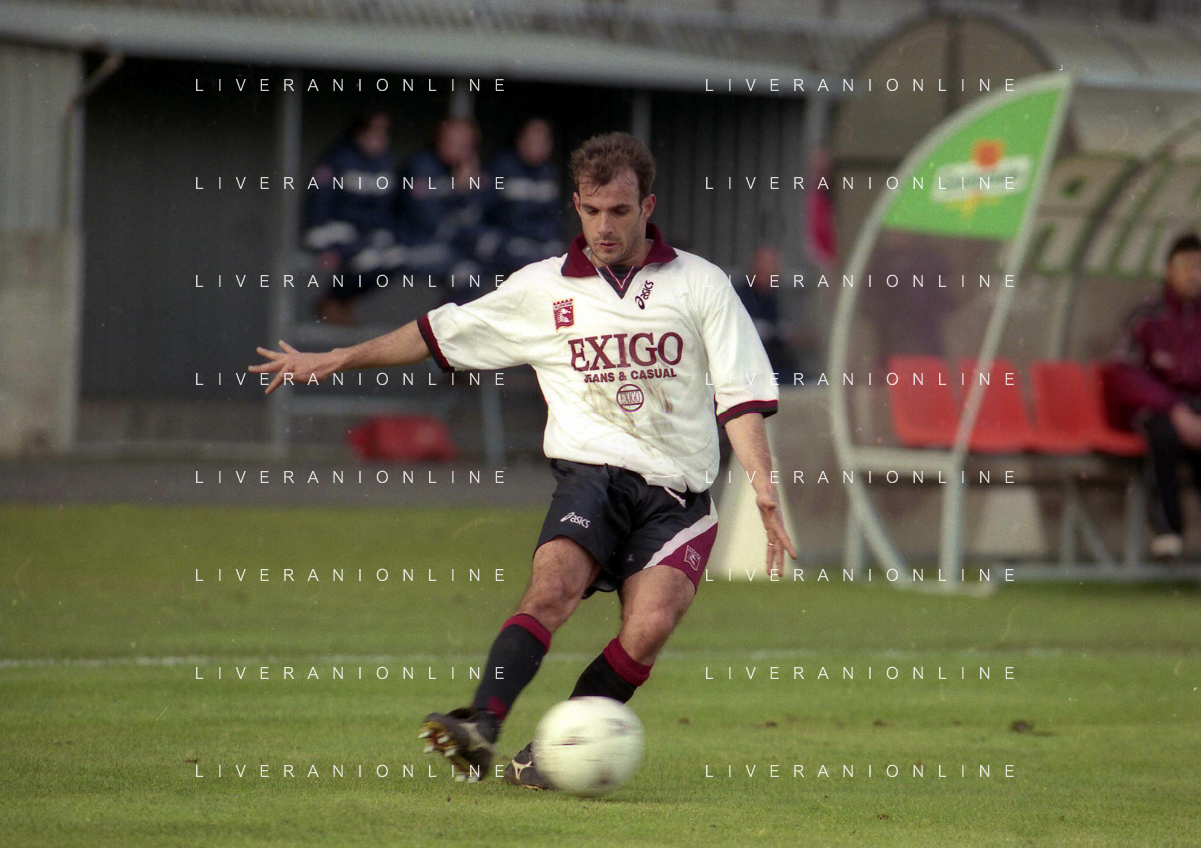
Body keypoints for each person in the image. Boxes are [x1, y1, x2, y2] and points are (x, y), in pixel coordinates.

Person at [249, 131, 796, 788]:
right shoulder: (542, 288)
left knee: (649, 627)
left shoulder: (701, 283)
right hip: (591, 477)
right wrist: (338, 356)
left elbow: (739, 393)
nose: (604, 226)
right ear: (576, 206)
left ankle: (552, 754)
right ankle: (481, 725)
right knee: (551, 590)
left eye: (619, 211)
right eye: (592, 210)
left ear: (647, 206)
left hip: (677, 494)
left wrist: (763, 487)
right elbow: (437, 332)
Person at [1104, 232, 1201, 559]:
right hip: (1155, 411)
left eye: (1200, 267)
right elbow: (1125, 373)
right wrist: (1173, 407)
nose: (1194, 275)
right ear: (1168, 270)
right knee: (1163, 435)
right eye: (1186, 266)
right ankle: (1168, 530)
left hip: (1195, 413)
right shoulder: (1146, 318)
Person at [305, 110, 399, 326]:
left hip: (367, 237)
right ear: (358, 132)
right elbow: (318, 203)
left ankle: (337, 301)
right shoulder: (337, 158)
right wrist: (323, 247)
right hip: (337, 235)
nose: (378, 138)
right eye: (373, 131)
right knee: (368, 261)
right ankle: (333, 301)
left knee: (392, 259)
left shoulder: (386, 163)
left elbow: (386, 210)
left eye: (384, 132)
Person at [392, 117, 495, 306]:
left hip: (448, 246)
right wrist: (459, 192)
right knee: (468, 273)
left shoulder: (470, 172)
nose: (459, 149)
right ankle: (438, 324)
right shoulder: (420, 167)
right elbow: (428, 221)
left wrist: (466, 192)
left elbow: (474, 219)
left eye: (465, 144)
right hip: (414, 245)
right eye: (452, 142)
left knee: (494, 252)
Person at [483, 118, 565, 279]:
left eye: (543, 141)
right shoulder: (502, 168)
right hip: (509, 246)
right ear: (520, 141)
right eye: (533, 140)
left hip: (540, 246)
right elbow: (487, 213)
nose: (538, 146)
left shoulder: (549, 174)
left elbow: (554, 219)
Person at [735, 244, 799, 377]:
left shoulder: (772, 296)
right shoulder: (740, 295)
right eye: (768, 264)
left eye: (775, 265)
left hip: (775, 366)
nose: (774, 270)